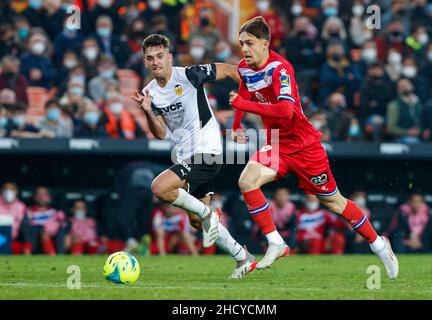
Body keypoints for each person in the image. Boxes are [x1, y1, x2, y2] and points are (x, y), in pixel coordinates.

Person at [228, 16, 398, 278]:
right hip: (277, 143)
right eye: (241, 44)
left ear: (265, 44)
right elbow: (244, 92)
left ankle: (378, 244)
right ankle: (276, 243)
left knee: (333, 202)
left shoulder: (280, 69)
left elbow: (285, 111)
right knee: (247, 181)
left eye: (249, 43)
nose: (245, 49)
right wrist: (237, 125)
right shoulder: (244, 67)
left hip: (305, 146)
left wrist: (243, 107)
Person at [130, 34, 256, 278]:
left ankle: (210, 213)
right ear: (145, 62)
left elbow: (231, 70)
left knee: (159, 188)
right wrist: (147, 111)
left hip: (207, 150)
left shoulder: (188, 75)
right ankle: (243, 258)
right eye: (150, 58)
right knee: (196, 222)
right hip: (185, 156)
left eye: (159, 56)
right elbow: (159, 132)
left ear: (169, 57)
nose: (155, 61)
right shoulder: (149, 92)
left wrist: (251, 97)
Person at [26, 186, 66, 255]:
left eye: (44, 194)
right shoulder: (29, 211)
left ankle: (60, 254)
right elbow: (27, 227)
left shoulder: (54, 211)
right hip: (35, 239)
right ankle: (52, 255)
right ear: (35, 196)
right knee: (43, 234)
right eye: (39, 194)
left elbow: (62, 225)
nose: (41, 197)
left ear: (48, 197)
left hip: (54, 238)